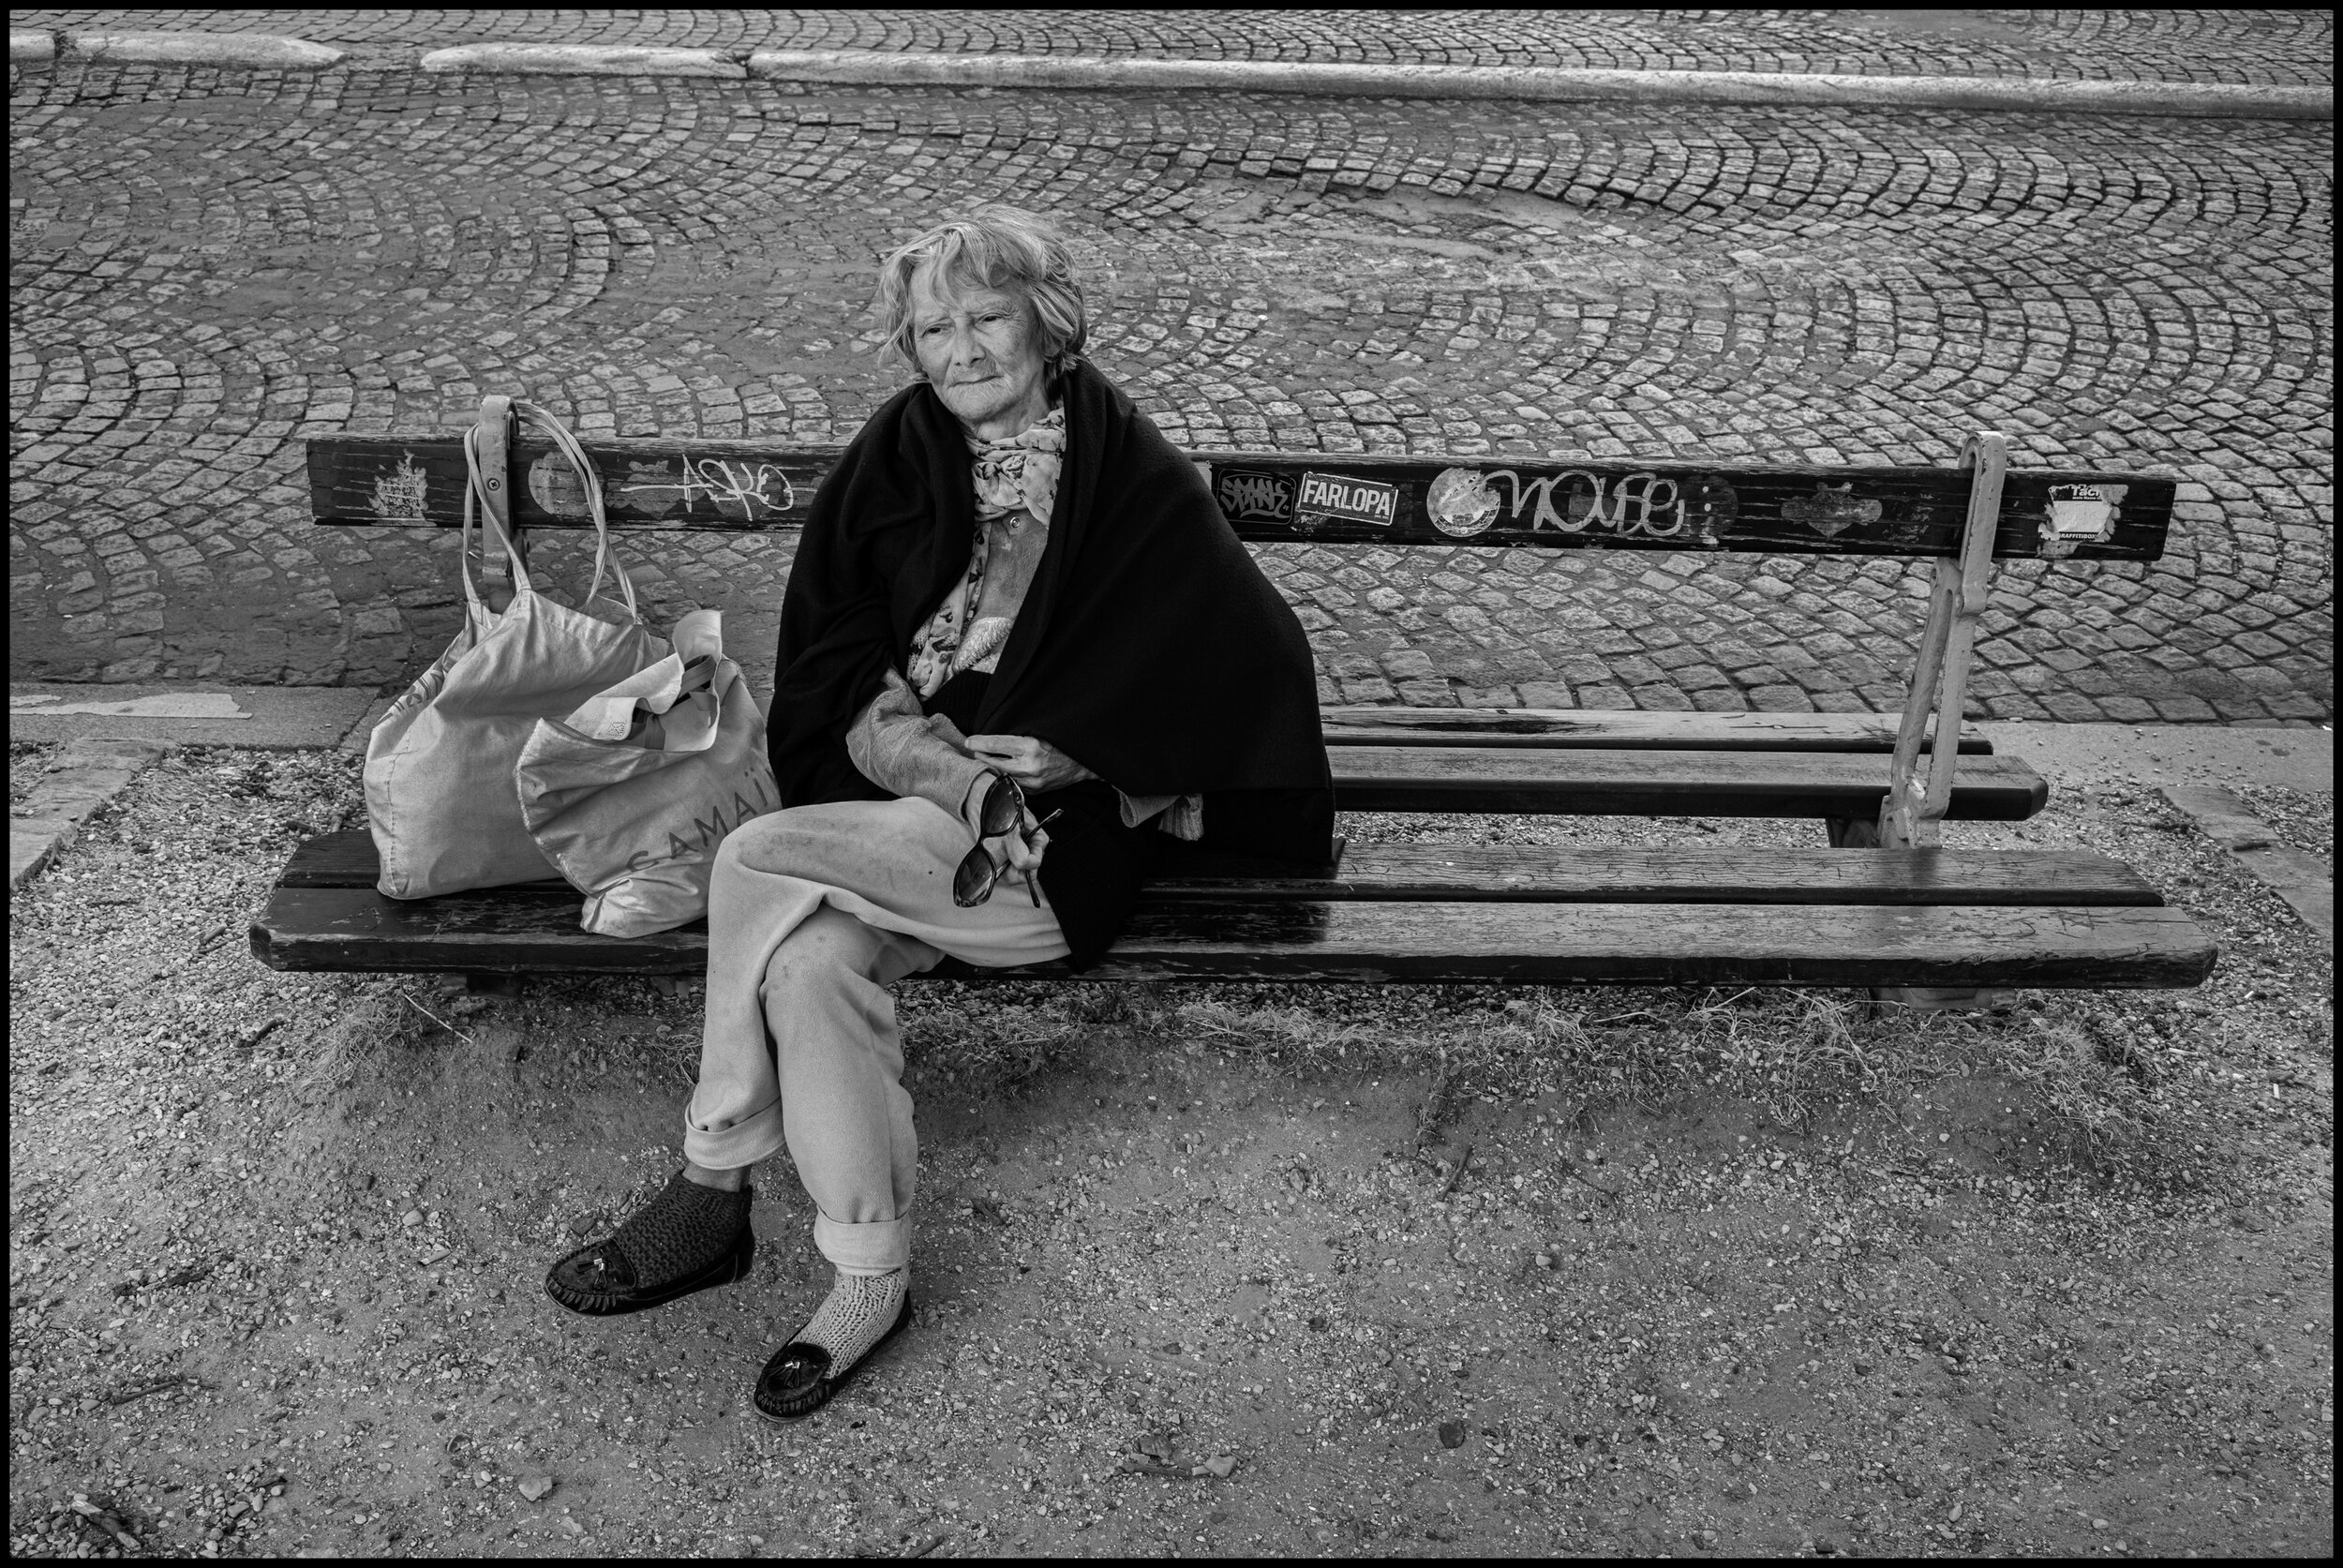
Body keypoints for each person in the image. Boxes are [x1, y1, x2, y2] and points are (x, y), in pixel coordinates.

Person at [544, 207, 1334, 1422]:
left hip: (1041, 854)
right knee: (806, 965)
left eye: (986, 317)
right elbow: (835, 666)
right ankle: (868, 1279)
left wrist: (1086, 749)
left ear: (1046, 323)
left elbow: (1253, 661)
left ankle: (711, 1178)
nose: (961, 348)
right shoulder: (897, 454)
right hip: (892, 818)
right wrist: (916, 751)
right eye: (934, 327)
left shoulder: (1128, 474)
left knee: (755, 855)